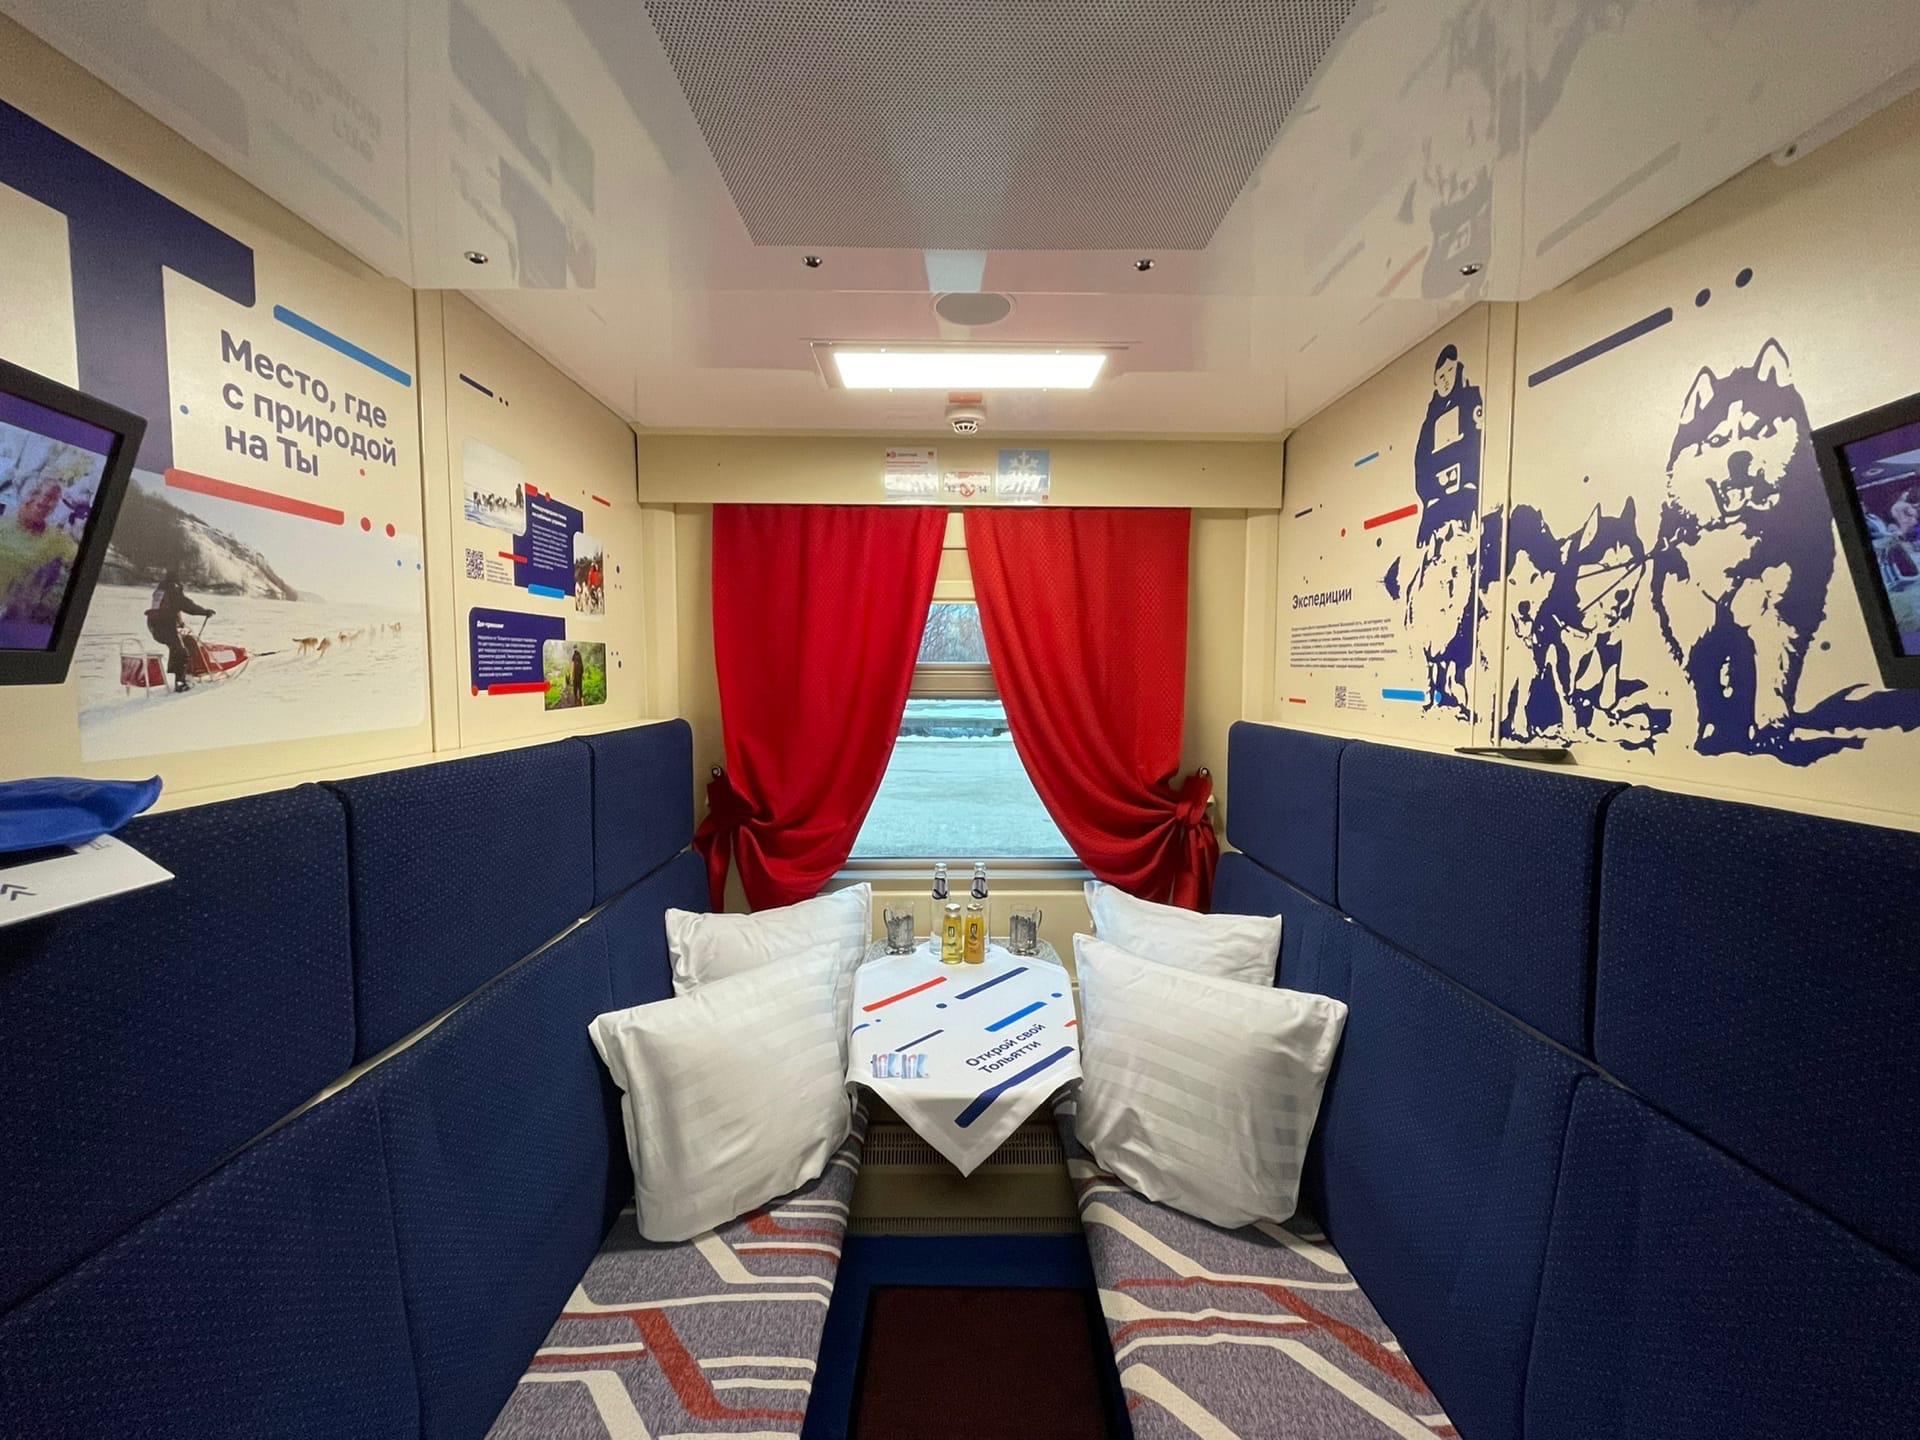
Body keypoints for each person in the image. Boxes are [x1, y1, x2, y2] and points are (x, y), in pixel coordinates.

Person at [145, 569, 214, 693]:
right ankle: (180, 683)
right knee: (181, 652)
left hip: (154, 626)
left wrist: (179, 623)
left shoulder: (161, 589)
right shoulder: (173, 590)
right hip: (165, 626)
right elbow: (187, 606)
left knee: (177, 647)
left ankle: (177, 676)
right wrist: (205, 612)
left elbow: (169, 608)